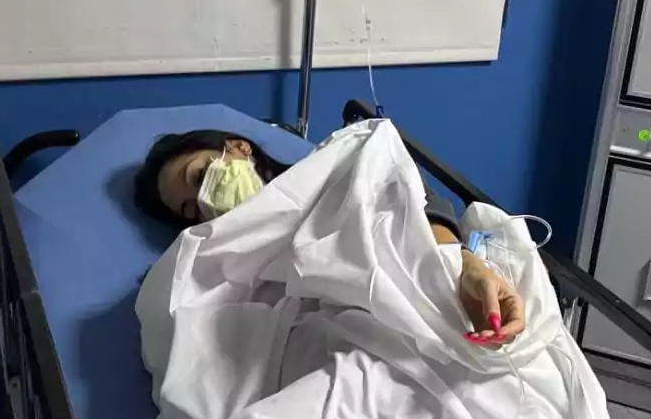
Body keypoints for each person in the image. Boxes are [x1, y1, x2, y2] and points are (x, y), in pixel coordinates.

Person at [134, 129, 525, 344]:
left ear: (237, 148)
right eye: (191, 210)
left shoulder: (337, 165)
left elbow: (409, 201)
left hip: (419, 306)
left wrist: (461, 265)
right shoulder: (217, 259)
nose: (205, 201)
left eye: (201, 176)